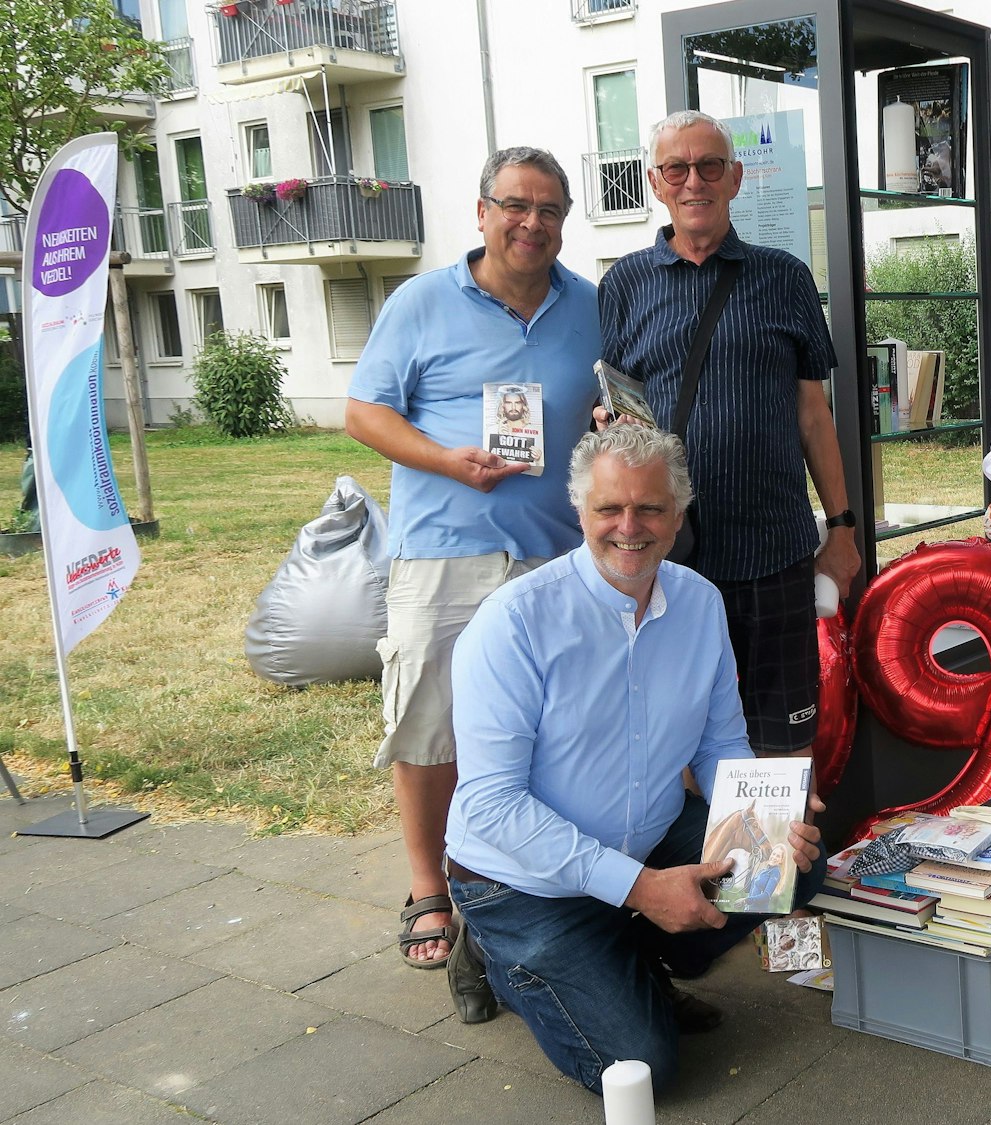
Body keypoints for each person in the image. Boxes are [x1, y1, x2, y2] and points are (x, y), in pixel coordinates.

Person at [444, 425, 825, 1095]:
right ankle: (494, 951)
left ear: (678, 514)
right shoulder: (514, 622)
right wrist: (642, 888)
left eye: (649, 507)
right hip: (521, 881)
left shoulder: (700, 603)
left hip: (644, 843)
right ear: (579, 511)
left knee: (794, 860)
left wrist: (765, 820)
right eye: (608, 509)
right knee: (642, 1068)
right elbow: (491, 807)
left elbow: (718, 745)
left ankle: (622, 953)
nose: (629, 526)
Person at [345, 147, 600, 971]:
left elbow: (613, 400)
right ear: (482, 210)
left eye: (550, 209)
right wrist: (445, 458)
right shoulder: (422, 301)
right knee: (429, 718)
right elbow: (362, 413)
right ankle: (429, 888)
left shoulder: (590, 306)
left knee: (550, 731)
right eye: (516, 205)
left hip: (555, 555)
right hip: (443, 553)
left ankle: (527, 879)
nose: (533, 223)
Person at [598, 110, 859, 758]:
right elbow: (607, 407)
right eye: (677, 168)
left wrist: (844, 527)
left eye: (710, 166)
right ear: (656, 182)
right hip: (669, 558)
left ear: (736, 178)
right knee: (674, 737)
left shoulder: (785, 277)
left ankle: (784, 860)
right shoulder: (624, 285)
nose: (695, 182)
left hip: (775, 550)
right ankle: (700, 857)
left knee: (787, 736)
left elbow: (812, 415)